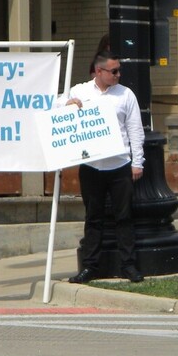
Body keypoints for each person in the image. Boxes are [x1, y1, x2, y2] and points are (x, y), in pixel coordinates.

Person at [64, 53, 146, 284]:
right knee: (93, 218)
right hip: (91, 165)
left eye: (119, 70)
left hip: (120, 165)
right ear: (99, 72)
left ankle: (129, 265)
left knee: (124, 217)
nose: (119, 75)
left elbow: (135, 130)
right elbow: (56, 106)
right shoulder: (80, 91)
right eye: (114, 71)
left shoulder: (126, 94)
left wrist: (137, 162)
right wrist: (67, 104)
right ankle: (90, 266)